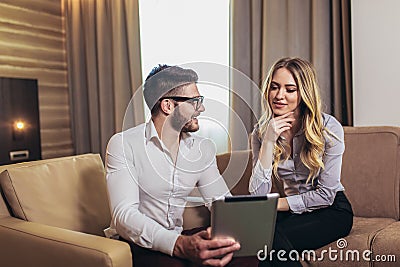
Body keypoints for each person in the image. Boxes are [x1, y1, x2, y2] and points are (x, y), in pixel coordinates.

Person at [105, 64, 258, 267]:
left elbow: (221, 203)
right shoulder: (123, 144)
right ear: (168, 106)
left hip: (178, 236)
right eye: (195, 102)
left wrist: (238, 230)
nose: (201, 108)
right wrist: (180, 245)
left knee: (244, 255)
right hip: (134, 244)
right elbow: (125, 216)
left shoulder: (202, 149)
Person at [249, 57, 353, 266]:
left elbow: (325, 195)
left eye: (290, 89)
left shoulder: (328, 129)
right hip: (291, 212)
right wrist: (269, 140)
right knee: (253, 236)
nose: (279, 96)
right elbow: (258, 195)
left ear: (303, 93)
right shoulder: (261, 134)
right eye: (274, 87)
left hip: (331, 210)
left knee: (267, 243)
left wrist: (274, 205)